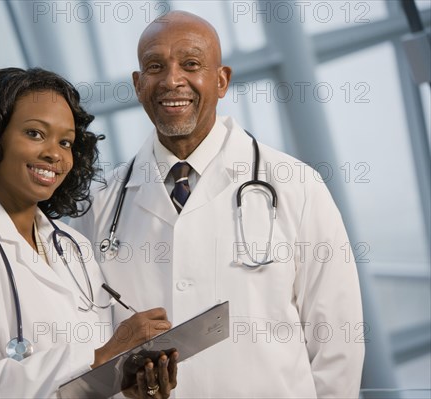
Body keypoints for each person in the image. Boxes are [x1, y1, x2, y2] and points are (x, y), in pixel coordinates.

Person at [71, 11, 365, 398]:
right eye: (155, 67)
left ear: (222, 80)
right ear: (139, 85)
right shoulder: (102, 204)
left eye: (191, 64)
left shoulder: (297, 185)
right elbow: (88, 340)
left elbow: (337, 340)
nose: (173, 80)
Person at [0, 67, 178, 398]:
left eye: (65, 141)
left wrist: (129, 387)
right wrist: (102, 356)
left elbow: (89, 380)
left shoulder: (74, 248)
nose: (54, 153)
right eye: (35, 133)